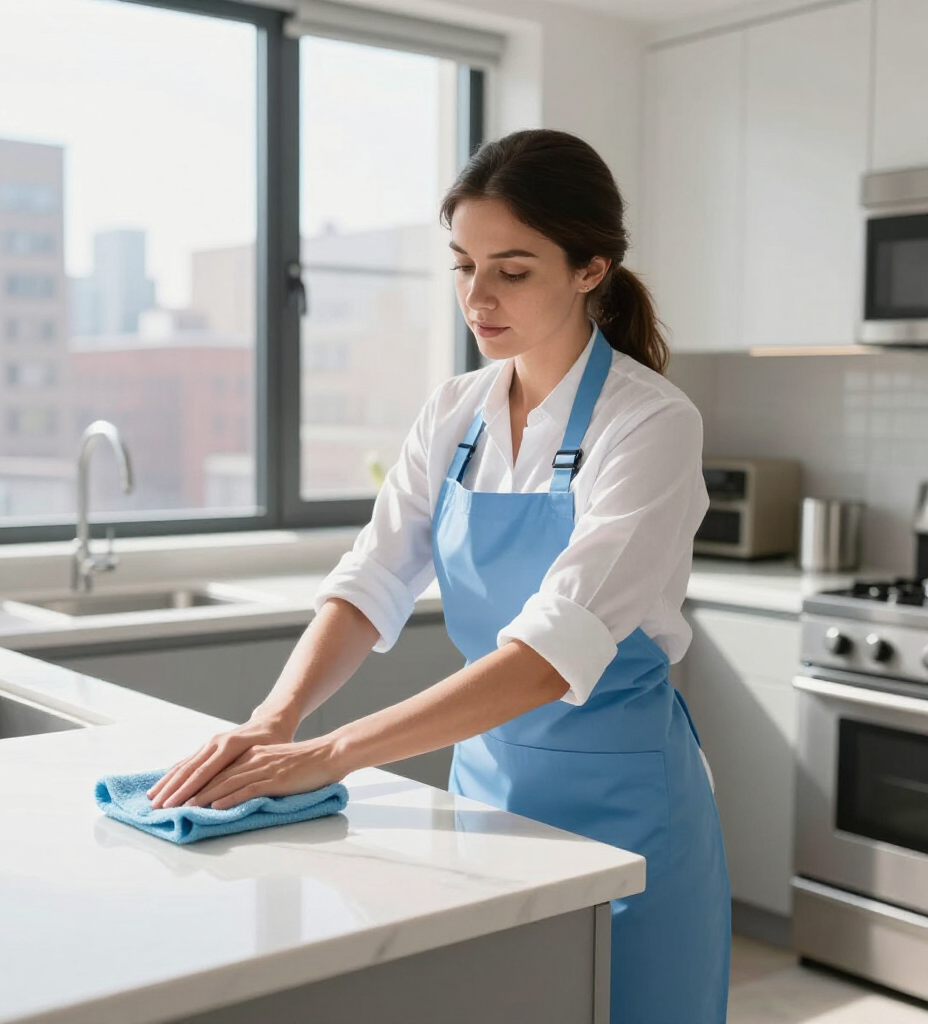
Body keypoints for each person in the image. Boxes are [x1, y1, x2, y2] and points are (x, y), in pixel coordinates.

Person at [149, 128, 731, 1024]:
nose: (477, 296)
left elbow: (549, 654)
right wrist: (274, 721)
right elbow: (372, 577)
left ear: (590, 269)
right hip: (487, 790)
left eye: (512, 269)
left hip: (624, 802)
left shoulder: (649, 423)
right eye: (461, 265)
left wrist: (329, 754)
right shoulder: (454, 411)